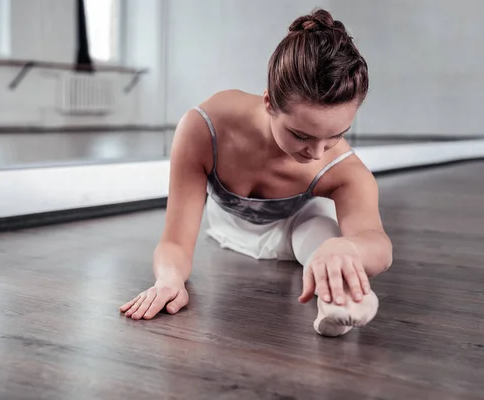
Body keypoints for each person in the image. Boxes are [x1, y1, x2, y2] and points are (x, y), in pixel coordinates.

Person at [120, 8, 393, 337]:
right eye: (301, 135)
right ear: (268, 103)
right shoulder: (204, 129)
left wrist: (348, 248)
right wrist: (169, 279)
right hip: (230, 226)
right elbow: (175, 241)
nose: (319, 152)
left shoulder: (342, 168)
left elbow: (377, 244)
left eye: (336, 134)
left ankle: (341, 300)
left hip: (302, 224)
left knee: (322, 230)